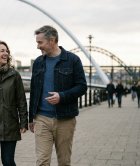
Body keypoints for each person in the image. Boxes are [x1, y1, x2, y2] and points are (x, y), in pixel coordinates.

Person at [29, 25, 87, 166]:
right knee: (42, 161)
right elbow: (33, 90)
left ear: (52, 40)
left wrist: (62, 96)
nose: (38, 46)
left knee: (64, 161)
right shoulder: (38, 62)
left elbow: (82, 87)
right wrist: (31, 118)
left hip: (65, 119)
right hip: (41, 118)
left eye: (40, 42)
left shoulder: (73, 60)